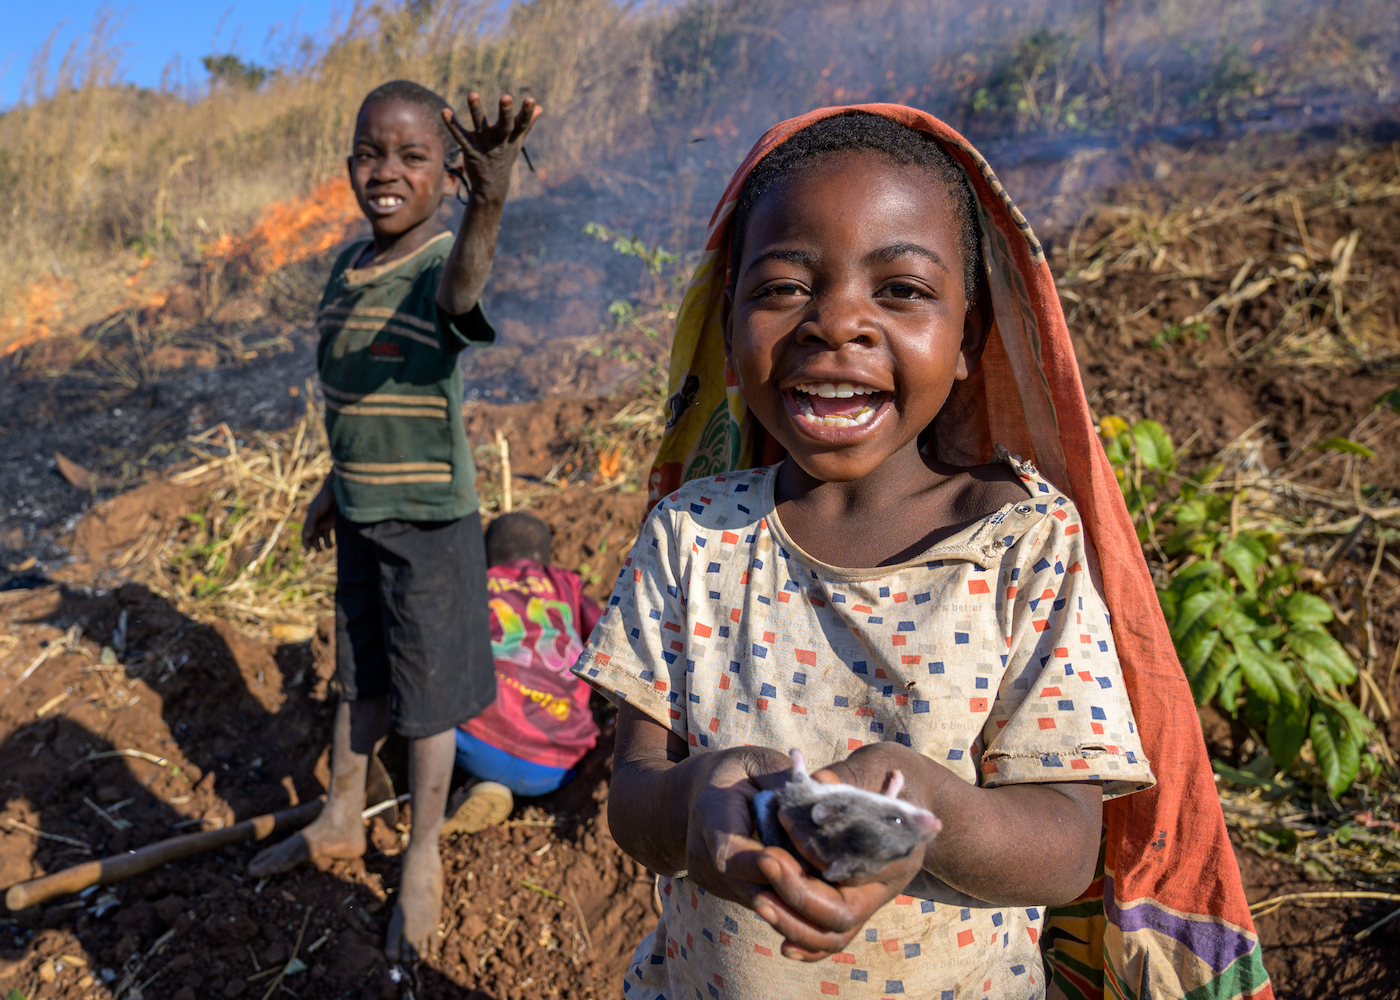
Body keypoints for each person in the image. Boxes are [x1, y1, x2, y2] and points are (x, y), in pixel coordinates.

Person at [573, 106, 1271, 1000]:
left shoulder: (1022, 544)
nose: (836, 324)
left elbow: (1064, 848)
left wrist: (927, 810)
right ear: (728, 327)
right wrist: (695, 799)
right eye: (784, 287)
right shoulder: (692, 533)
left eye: (899, 290)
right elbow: (634, 797)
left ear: (970, 340)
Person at [248, 80, 541, 967]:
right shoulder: (344, 270)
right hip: (365, 514)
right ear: (348, 166)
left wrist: (490, 199)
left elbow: (462, 293)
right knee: (355, 675)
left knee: (428, 699)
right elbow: (349, 394)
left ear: (445, 176)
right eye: (372, 153)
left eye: (412, 157)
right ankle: (341, 816)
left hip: (429, 525)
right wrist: (334, 483)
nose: (387, 172)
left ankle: (420, 856)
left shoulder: (439, 262)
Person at [442, 512, 603, 832]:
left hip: (479, 742)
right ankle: (498, 788)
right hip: (555, 762)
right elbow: (607, 635)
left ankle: (460, 787)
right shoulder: (565, 584)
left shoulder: (472, 584)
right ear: (545, 557)